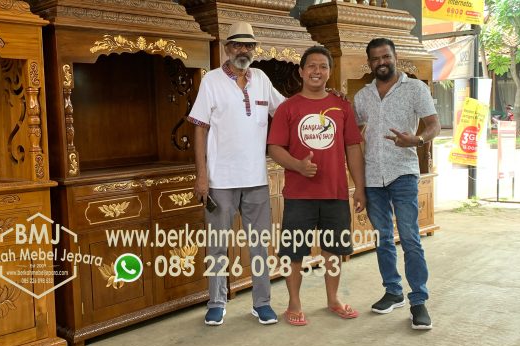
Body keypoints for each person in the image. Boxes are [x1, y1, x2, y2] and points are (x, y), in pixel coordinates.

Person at [187, 21, 285, 326]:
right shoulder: (212, 81)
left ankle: (262, 303)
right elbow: (199, 129)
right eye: (238, 45)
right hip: (220, 180)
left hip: (256, 178)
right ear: (227, 49)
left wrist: (322, 101)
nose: (244, 51)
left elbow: (285, 112)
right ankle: (216, 302)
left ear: (254, 50)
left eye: (249, 46)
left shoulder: (262, 80)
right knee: (217, 243)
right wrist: (202, 175)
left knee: (259, 243)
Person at [267, 46, 365, 326]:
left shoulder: (341, 106)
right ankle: (294, 303)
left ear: (329, 72)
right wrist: (297, 165)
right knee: (293, 251)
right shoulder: (288, 107)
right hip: (299, 194)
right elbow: (275, 147)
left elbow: (353, 148)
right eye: (311, 66)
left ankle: (333, 299)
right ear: (301, 71)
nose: (316, 71)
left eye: (323, 66)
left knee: (333, 250)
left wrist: (359, 187)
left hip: (334, 192)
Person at [353, 38, 440, 330]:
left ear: (395, 57)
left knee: (410, 238)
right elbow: (352, 133)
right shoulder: (362, 96)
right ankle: (393, 291)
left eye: (386, 56)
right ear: (369, 63)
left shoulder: (415, 88)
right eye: (375, 58)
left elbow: (433, 125)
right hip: (373, 176)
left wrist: (415, 140)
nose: (381, 62)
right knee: (383, 239)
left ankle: (418, 300)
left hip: (402, 172)